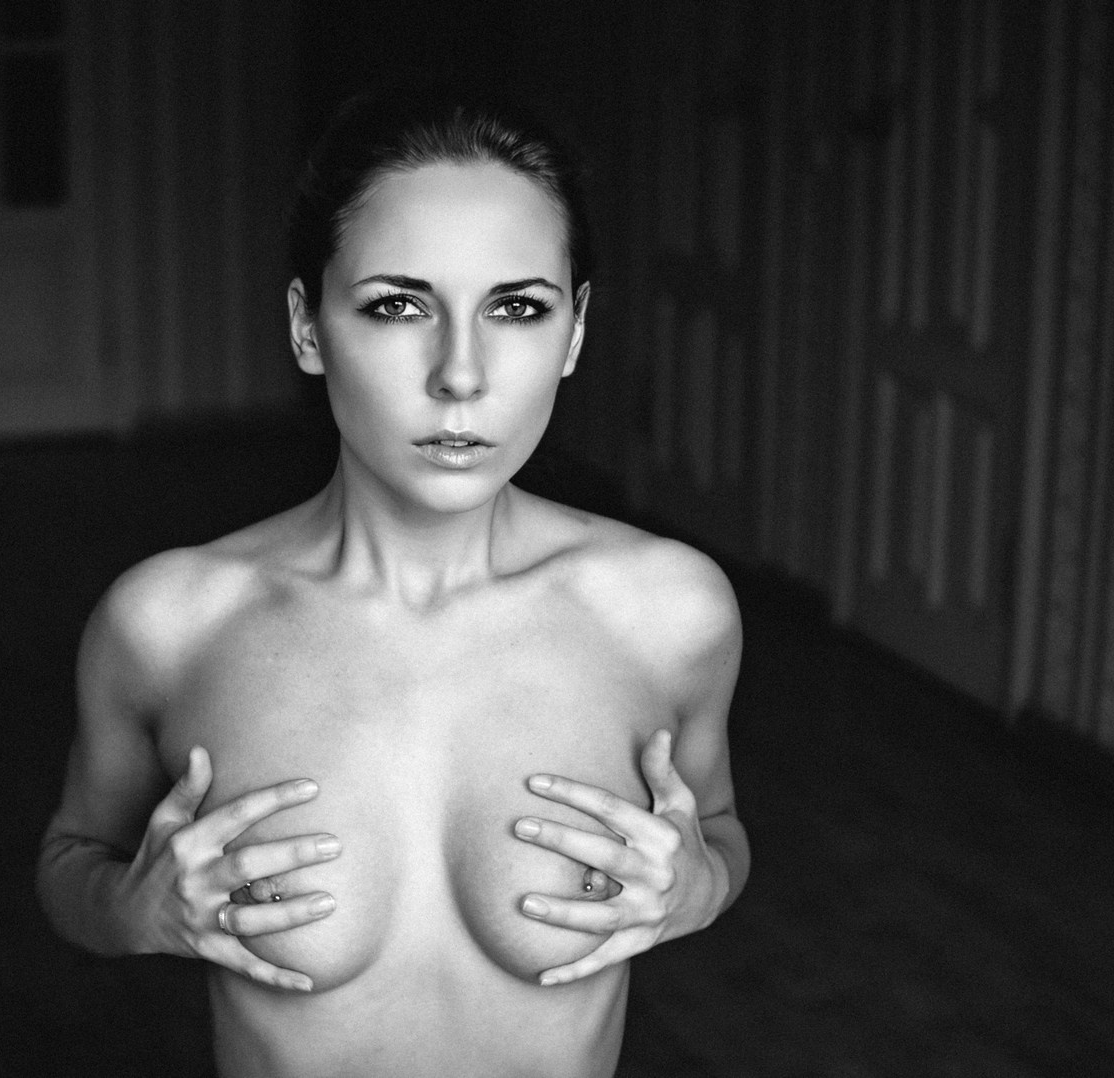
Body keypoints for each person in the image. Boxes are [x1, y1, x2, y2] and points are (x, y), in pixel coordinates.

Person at [36, 84, 749, 1078]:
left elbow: (715, 832)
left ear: (576, 332)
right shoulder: (170, 623)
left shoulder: (669, 613)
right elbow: (70, 863)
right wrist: (134, 908)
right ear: (308, 327)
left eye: (517, 308)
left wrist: (700, 889)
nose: (460, 373)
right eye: (397, 306)